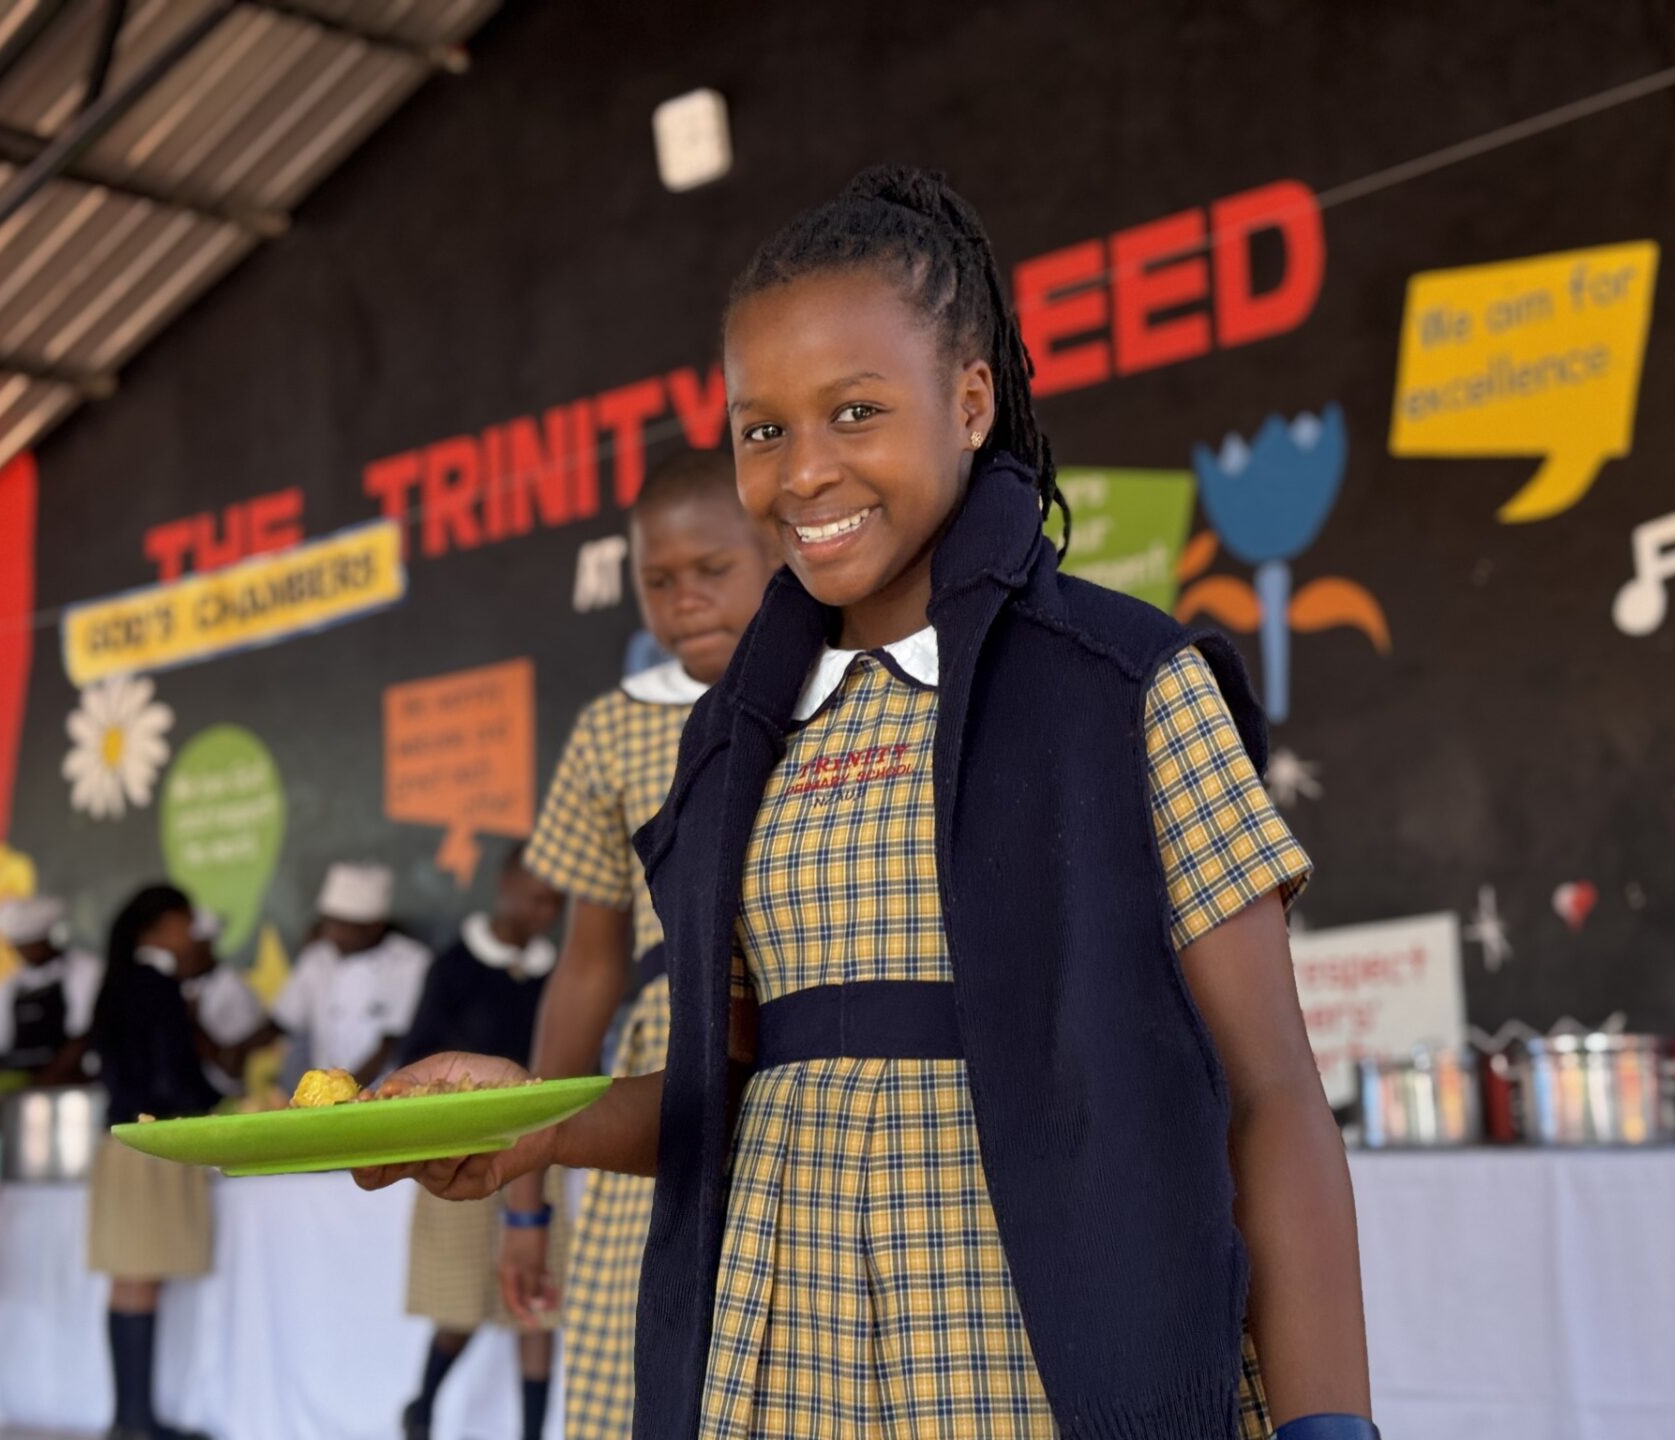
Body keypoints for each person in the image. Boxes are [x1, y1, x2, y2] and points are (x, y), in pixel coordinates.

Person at [360, 166, 1373, 1440]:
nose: (804, 472)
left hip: (1044, 1360)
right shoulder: (733, 745)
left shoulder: (1126, 687)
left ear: (968, 399)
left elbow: (1273, 1090)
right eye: (763, 428)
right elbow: (718, 1094)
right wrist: (527, 1126)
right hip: (784, 1364)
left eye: (854, 411)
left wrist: (1330, 1426)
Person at [499, 447, 777, 1439]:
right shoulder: (611, 732)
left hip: (816, 1067)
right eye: (658, 581)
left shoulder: (851, 695)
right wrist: (526, 1196)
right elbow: (586, 970)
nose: (685, 602)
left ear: (781, 551)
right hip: (658, 1090)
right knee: (637, 1379)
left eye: (714, 570)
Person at [392, 845, 567, 1440]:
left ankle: (533, 1432)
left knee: (537, 1307)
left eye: (558, 902)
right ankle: (422, 1408)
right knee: (461, 1302)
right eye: (539, 895)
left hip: (543, 1153)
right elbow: (413, 1059)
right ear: (507, 882)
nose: (548, 911)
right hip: (461, 1156)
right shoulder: (454, 967)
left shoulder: (564, 973)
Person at [88, 883, 220, 1440]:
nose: (191, 935)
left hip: (119, 1140)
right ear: (161, 925)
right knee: (139, 1278)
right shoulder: (156, 984)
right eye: (185, 923)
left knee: (129, 1278)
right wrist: (214, 1103)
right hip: (152, 1140)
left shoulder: (115, 981)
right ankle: (136, 1421)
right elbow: (172, 1074)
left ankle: (129, 1418)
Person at [255, 863, 431, 1089]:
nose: (331, 933)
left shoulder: (412, 962)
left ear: (372, 927)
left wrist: (347, 1092)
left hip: (388, 1091)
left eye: (342, 926)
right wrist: (239, 1049)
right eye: (329, 922)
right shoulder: (318, 957)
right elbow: (282, 1022)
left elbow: (391, 1043)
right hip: (329, 1094)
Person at [0, 894, 103, 1083]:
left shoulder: (84, 968)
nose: (27, 952)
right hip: (19, 1085)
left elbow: (83, 1035)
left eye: (31, 944)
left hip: (70, 1083)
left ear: (47, 938)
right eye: (19, 946)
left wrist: (44, 1080)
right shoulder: (9, 982)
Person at [177, 908, 268, 1096]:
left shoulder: (233, 986)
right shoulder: (185, 983)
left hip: (223, 1095)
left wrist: (191, 1023)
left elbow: (234, 1063)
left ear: (205, 946)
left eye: (188, 949)